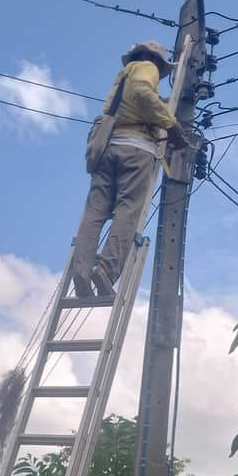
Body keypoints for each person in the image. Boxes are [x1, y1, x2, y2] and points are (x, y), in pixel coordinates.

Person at [72, 39, 183, 301]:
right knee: (127, 210)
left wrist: (162, 103)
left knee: (95, 212)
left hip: (108, 147)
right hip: (135, 150)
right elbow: (144, 93)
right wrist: (171, 125)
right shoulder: (147, 68)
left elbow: (141, 97)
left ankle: (82, 270)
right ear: (154, 59)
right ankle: (107, 271)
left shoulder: (124, 75)